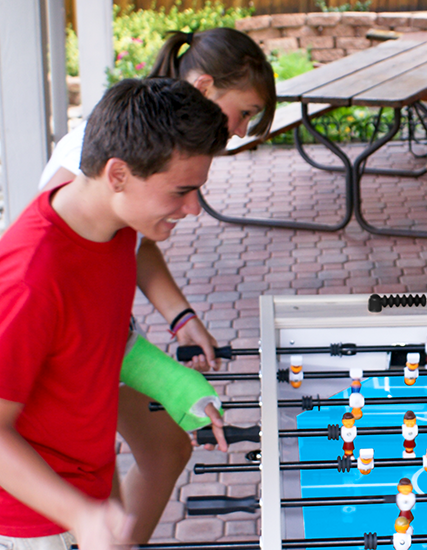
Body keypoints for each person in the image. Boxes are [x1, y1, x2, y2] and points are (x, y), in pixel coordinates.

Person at [0, 78, 230, 550]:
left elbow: (107, 341)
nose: (193, 209)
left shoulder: (117, 230)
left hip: (83, 478)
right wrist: (82, 517)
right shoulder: (29, 277)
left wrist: (183, 390)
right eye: (181, 192)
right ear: (117, 174)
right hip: (28, 516)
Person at [38, 27, 277, 544]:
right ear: (205, 86)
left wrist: (181, 318)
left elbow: (137, 247)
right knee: (99, 488)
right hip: (67, 346)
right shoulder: (93, 170)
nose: (240, 131)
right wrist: (164, 375)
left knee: (166, 450)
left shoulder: (151, 156)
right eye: (245, 111)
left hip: (105, 331)